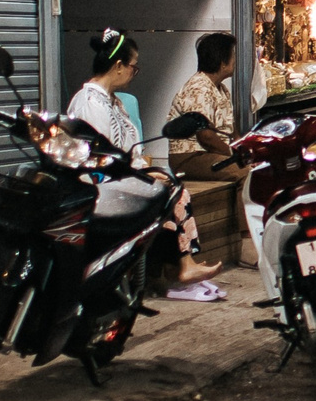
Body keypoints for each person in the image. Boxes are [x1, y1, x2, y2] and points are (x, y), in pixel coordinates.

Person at [71, 29, 225, 294]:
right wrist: (142, 175)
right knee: (167, 193)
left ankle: (176, 267)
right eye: (133, 67)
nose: (134, 73)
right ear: (118, 66)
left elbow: (129, 151)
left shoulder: (115, 102)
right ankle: (180, 266)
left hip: (121, 176)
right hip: (100, 184)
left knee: (172, 188)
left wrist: (146, 170)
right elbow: (102, 157)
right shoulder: (89, 103)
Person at [166, 32, 239, 182]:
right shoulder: (199, 89)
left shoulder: (222, 89)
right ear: (222, 62)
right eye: (233, 56)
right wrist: (234, 155)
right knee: (243, 172)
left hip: (210, 154)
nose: (235, 61)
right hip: (190, 157)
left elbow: (231, 130)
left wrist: (246, 149)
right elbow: (206, 137)